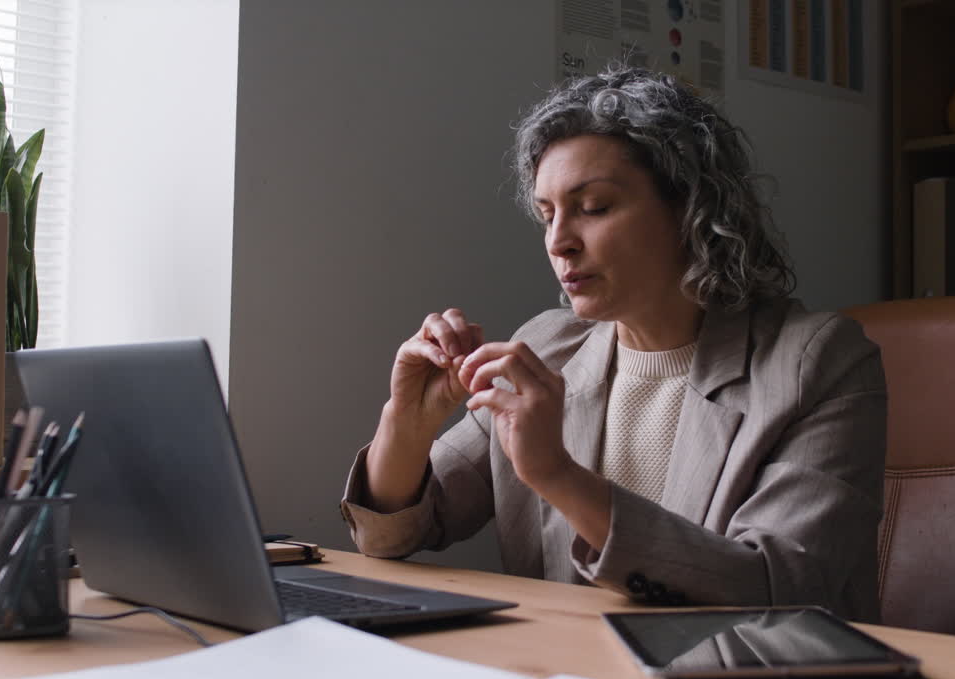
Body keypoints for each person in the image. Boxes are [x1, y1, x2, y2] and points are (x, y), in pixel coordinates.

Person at [340, 64, 886, 621]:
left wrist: (559, 476)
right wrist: (407, 422)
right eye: (547, 215)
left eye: (594, 208)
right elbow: (391, 535)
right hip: (566, 668)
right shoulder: (545, 347)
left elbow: (779, 587)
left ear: (692, 209)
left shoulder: (818, 361)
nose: (559, 242)